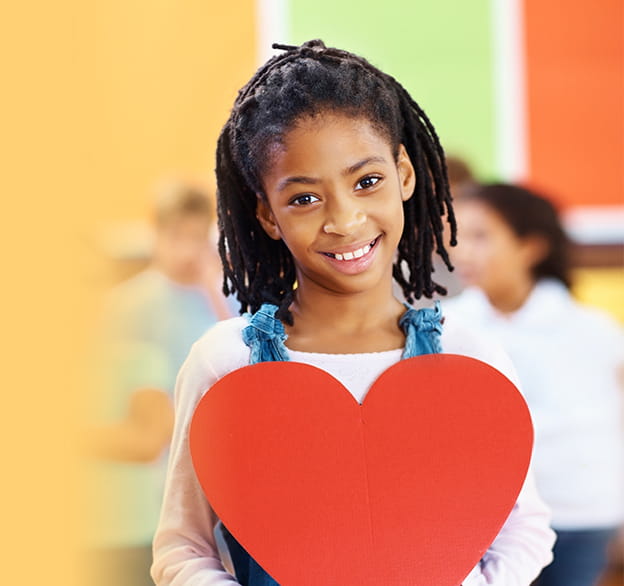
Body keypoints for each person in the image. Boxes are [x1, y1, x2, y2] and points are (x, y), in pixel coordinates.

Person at [150, 40, 555, 585]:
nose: (344, 220)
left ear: (405, 175)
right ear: (267, 215)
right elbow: (183, 548)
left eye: (367, 182)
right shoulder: (226, 363)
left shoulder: (468, 355)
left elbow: (523, 529)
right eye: (303, 199)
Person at [445, 183, 624, 586]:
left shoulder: (594, 331)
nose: (462, 252)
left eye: (481, 236)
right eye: (458, 237)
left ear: (531, 247)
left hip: (579, 515)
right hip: (484, 520)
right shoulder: (446, 327)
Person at [96, 184, 233, 586]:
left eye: (197, 237)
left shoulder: (223, 295)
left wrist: (216, 288)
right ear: (156, 234)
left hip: (219, 460)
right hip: (158, 471)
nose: (188, 250)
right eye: (177, 237)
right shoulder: (125, 306)